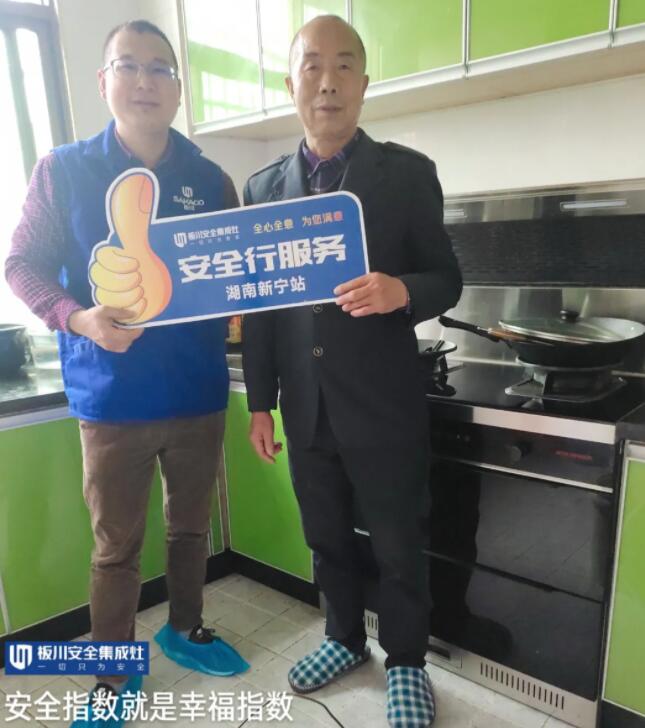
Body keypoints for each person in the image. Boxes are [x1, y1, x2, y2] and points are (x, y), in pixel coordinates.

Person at [5, 19, 248, 728]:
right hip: (111, 401)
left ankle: (185, 628)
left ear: (178, 87)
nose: (145, 81)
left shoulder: (209, 178)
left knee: (191, 529)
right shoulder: (64, 170)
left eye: (160, 68)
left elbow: (234, 276)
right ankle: (114, 675)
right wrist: (77, 317)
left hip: (198, 393)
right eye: (129, 66)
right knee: (116, 550)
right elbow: (21, 264)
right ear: (103, 80)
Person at [242, 14, 462, 728]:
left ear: (364, 84)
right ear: (291, 84)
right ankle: (342, 638)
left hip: (384, 403)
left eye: (343, 66)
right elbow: (262, 312)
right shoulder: (263, 189)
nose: (327, 82)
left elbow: (448, 278)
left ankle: (406, 662)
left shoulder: (406, 174)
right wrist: (260, 402)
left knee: (398, 543)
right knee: (325, 536)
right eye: (312, 65)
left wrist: (402, 291)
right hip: (305, 406)